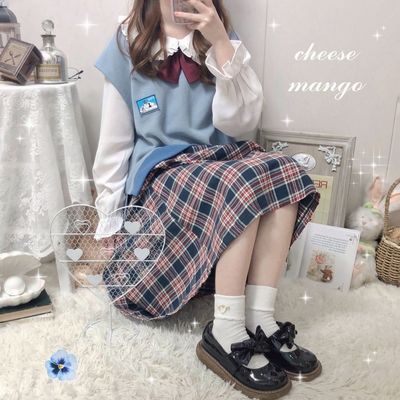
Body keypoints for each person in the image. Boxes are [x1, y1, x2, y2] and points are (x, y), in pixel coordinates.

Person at [92, 1, 322, 398]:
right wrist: (110, 218)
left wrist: (220, 44)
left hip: (219, 160)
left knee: (284, 171)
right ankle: (226, 328)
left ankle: (260, 316)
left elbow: (241, 124)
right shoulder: (128, 42)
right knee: (239, 183)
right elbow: (114, 142)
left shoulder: (219, 38)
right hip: (163, 173)